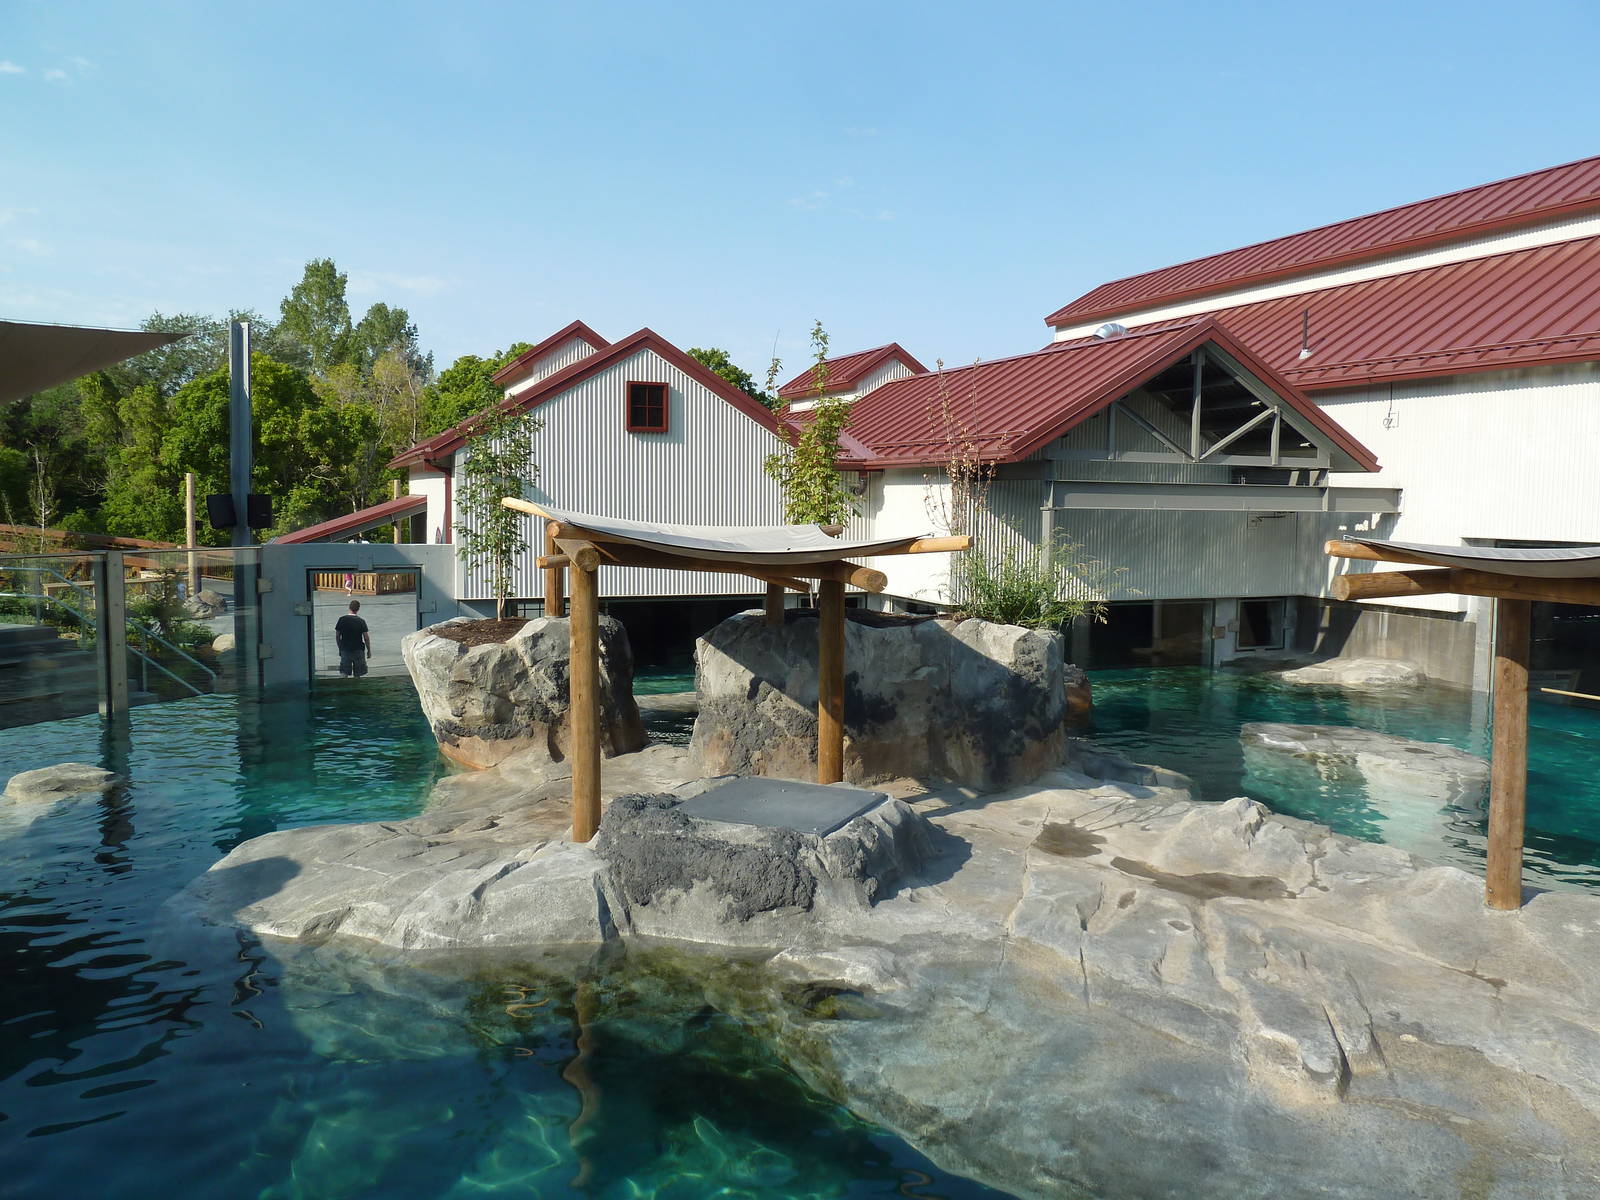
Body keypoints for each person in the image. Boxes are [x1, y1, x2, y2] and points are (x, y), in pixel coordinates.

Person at [335, 600, 371, 678]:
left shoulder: (342, 620)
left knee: (344, 673)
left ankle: (343, 689)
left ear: (349, 607)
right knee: (357, 675)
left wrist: (340, 648)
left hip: (345, 649)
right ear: (358, 609)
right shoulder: (361, 621)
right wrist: (369, 650)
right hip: (358, 649)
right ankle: (357, 689)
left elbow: (337, 636)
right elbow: (366, 637)